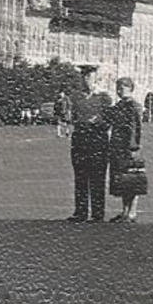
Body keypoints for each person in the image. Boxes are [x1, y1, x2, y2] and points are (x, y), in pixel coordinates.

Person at [66, 68, 110, 223]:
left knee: (97, 177)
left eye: (90, 78)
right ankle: (81, 211)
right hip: (80, 139)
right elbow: (72, 117)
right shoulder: (76, 97)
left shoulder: (104, 97)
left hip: (98, 140)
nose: (86, 81)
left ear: (96, 79)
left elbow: (109, 120)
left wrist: (97, 122)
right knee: (80, 177)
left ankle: (97, 213)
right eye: (84, 78)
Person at [105, 77, 145, 223]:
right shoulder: (119, 106)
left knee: (132, 180)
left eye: (122, 88)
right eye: (118, 88)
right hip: (117, 147)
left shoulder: (133, 106)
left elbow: (135, 128)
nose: (119, 90)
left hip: (129, 148)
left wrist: (133, 147)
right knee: (122, 180)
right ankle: (125, 211)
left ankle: (132, 212)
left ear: (130, 88)